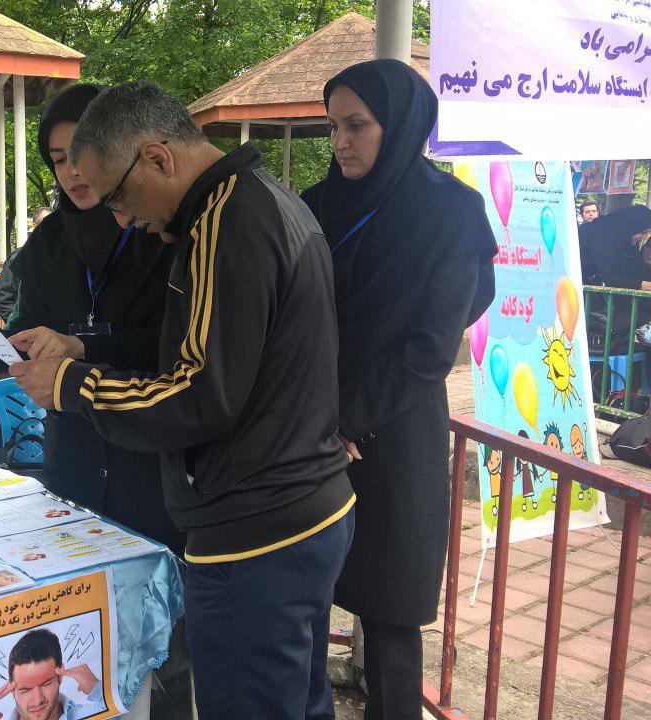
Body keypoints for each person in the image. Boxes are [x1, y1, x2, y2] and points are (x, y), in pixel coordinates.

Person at [11, 81, 355, 719]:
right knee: (297, 703)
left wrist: (69, 385)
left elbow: (197, 395)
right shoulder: (258, 203)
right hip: (299, 509)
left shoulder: (225, 227)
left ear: (157, 159)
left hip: (255, 529)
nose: (119, 217)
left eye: (118, 196)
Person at [300, 59, 497, 720]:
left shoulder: (451, 214)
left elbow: (430, 347)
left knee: (389, 619)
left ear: (403, 122)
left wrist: (351, 422)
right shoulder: (313, 206)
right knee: (297, 597)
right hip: (307, 426)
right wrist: (314, 420)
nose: (341, 141)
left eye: (357, 124)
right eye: (332, 126)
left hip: (394, 434)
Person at [0, 83, 183, 556]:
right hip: (73, 457)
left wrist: (83, 347)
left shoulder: (158, 229)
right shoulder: (48, 242)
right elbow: (29, 332)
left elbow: (175, 346)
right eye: (58, 158)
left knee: (161, 604)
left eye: (84, 151)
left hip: (150, 456)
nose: (73, 170)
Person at [0, 629, 104, 720]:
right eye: (25, 690)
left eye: (46, 683)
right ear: (11, 690)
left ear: (60, 676)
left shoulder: (94, 714)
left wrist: (98, 690)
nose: (37, 700)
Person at [578, 204, 651, 353]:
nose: (644, 236)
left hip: (614, 304)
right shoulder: (601, 238)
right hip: (596, 306)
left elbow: (632, 270)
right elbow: (610, 277)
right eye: (642, 232)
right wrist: (645, 285)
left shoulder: (623, 239)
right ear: (631, 227)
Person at [0, 208, 48, 323]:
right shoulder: (20, 256)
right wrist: (21, 324)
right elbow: (2, 298)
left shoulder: (59, 258)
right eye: (45, 221)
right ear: (34, 226)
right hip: (28, 334)